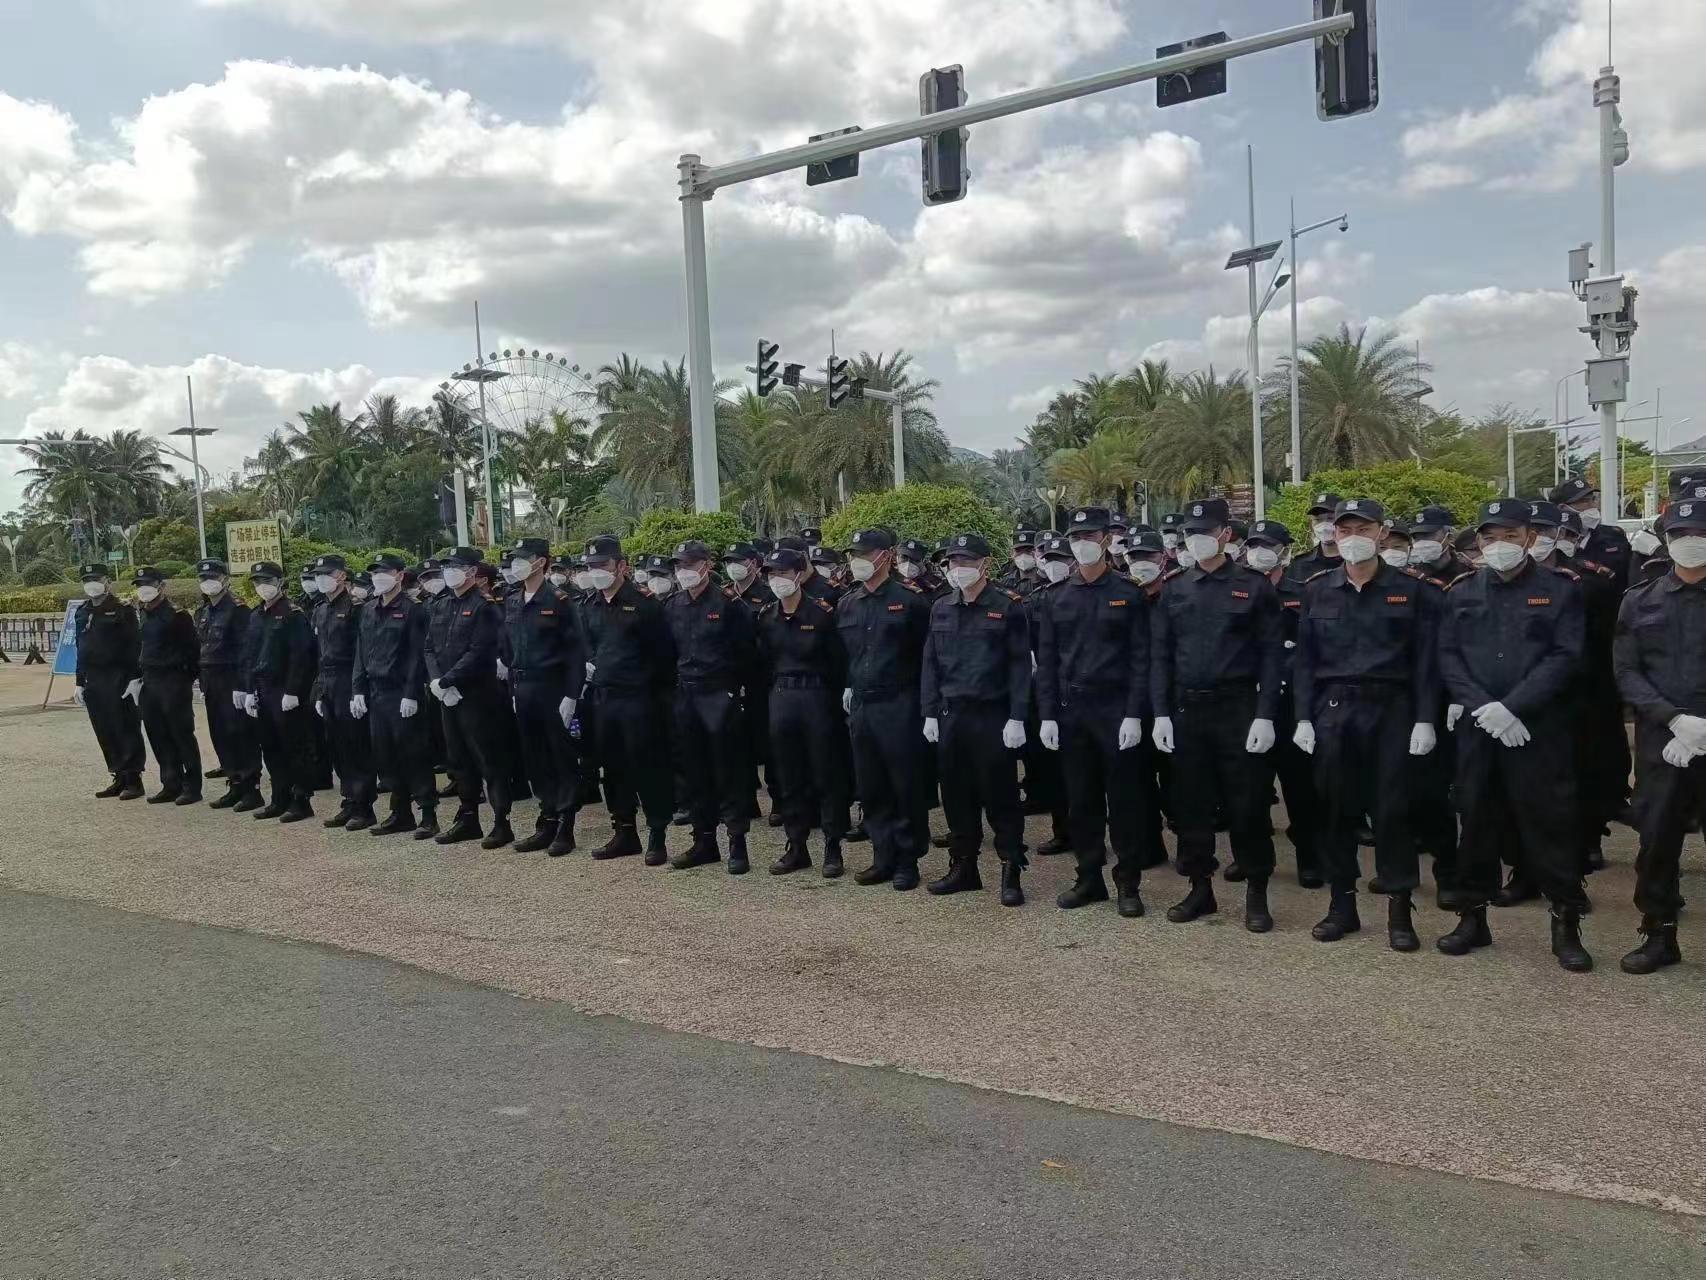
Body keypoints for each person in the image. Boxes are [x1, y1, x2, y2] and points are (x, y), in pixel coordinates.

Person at [1437, 499, 1591, 971]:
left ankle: (1566, 925)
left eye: (1509, 536)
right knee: (1476, 822)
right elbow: (1448, 655)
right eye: (1489, 537)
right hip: (1480, 726)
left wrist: (1513, 707)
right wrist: (1484, 707)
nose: (1498, 545)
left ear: (1529, 538)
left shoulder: (1560, 589)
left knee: (1550, 825)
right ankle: (1473, 918)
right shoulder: (1462, 590)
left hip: (1535, 728)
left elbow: (1565, 655)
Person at [1291, 500, 1441, 950]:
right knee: (1336, 810)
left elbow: (1427, 662)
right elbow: (1305, 661)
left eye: (1363, 528)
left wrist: (1426, 719)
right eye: (1344, 530)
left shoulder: (1412, 591)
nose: (1352, 537)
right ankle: (1342, 906)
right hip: (1334, 710)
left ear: (1382, 533)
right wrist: (1302, 717)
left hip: (1392, 709)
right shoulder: (1318, 589)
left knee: (1393, 811)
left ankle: (1400, 910)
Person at [1150, 498, 1285, 932]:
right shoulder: (1176, 588)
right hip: (1188, 709)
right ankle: (1199, 888)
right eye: (1190, 533)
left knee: (1248, 805)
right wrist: (1160, 713)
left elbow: (1272, 656)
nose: (1197, 539)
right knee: (1191, 805)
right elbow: (1161, 656)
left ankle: (1256, 891)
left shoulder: (1254, 587)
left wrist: (1266, 714)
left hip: (1238, 708)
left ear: (1226, 534)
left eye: (1205, 532)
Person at [1036, 507, 1158, 916]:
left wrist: (1134, 714)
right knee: (1081, 802)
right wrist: (1047, 715)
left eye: (1089, 536)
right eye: (1075, 537)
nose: (1082, 544)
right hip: (1073, 710)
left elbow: (1141, 658)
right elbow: (1048, 661)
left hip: (1116, 708)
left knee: (1124, 802)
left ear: (1106, 539)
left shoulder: (1129, 592)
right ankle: (1088, 878)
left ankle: (1128, 883)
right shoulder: (1056, 596)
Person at [1612, 497, 1706, 973]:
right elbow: (1626, 671)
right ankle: (1659, 934)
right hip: (1662, 742)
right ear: (1666, 541)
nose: (1690, 542)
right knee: (1657, 842)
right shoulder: (1640, 599)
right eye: (1679, 535)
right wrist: (1673, 720)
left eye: (1700, 534)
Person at [920, 532, 1031, 905]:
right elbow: (930, 663)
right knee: (956, 795)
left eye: (967, 561)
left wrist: (1017, 717)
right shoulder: (941, 607)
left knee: (1001, 797)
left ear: (985, 565)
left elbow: (1020, 666)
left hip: (992, 716)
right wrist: (929, 712)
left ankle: (1011, 868)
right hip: (952, 715)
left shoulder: (1007, 607)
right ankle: (964, 867)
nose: (959, 568)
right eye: (954, 562)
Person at [836, 527, 933, 890]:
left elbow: (927, 657)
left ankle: (908, 859)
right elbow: (845, 654)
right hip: (863, 704)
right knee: (871, 784)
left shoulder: (911, 602)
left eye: (865, 554)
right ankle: (883, 855)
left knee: (905, 784)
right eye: (854, 555)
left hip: (900, 702)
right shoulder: (848, 603)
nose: (857, 561)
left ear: (886, 556)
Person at [661, 540, 757, 874]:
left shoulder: (728, 604)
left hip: (719, 694)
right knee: (694, 771)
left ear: (706, 565)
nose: (683, 571)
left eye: (689, 564)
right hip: (686, 695)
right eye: (679, 566)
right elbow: (667, 653)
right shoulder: (673, 605)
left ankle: (737, 843)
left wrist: (734, 692)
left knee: (728, 770)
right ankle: (704, 841)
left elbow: (748, 653)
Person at [580, 534, 676, 864]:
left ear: (621, 566)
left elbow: (664, 657)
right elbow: (589, 646)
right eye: (591, 566)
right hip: (604, 698)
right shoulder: (589, 606)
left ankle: (657, 834)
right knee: (613, 768)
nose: (596, 571)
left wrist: (657, 700)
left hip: (639, 699)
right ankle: (624, 831)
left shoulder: (645, 605)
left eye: (602, 564)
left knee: (648, 767)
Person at [755, 547, 850, 877]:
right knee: (789, 776)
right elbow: (764, 662)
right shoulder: (767, 617)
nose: (776, 580)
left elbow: (838, 662)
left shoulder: (821, 614)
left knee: (826, 774)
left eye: (782, 573)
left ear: (799, 574)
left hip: (817, 698)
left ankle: (833, 847)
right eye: (771, 574)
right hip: (782, 697)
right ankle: (796, 846)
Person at [1240, 521, 1323, 890]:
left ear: (1285, 551)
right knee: (1250, 790)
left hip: (1290, 704)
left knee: (1301, 788)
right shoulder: (1237, 590)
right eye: (1254, 545)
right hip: (1249, 704)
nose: (1260, 553)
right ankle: (1252, 859)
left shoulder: (1303, 593)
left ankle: (1310, 858)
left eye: (1269, 546)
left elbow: (1312, 649)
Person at [498, 537, 585, 856]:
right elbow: (509, 648)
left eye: (524, 558)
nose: (517, 564)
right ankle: (546, 818)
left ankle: (565, 824)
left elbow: (575, 651)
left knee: (560, 756)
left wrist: (571, 695)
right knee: (534, 757)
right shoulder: (512, 599)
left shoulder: (559, 600)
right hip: (524, 687)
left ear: (541, 562)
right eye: (515, 558)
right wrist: (512, 689)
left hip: (553, 687)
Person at [425, 546, 515, 850]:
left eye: (456, 566)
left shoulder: (484, 606)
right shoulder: (441, 604)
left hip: (478, 694)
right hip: (447, 695)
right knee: (459, 758)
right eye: (447, 567)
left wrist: (449, 680)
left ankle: (502, 822)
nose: (449, 572)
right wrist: (437, 681)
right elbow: (429, 647)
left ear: (473, 572)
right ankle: (468, 819)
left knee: (489, 760)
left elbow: (480, 651)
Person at [352, 552, 438, 840]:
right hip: (376, 692)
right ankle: (401, 813)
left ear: (400, 575)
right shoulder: (368, 609)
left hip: (402, 692)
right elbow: (361, 652)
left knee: (414, 753)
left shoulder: (413, 610)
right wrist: (357, 689)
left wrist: (412, 693)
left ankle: (428, 814)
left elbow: (417, 654)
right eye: (375, 572)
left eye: (385, 572)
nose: (378, 577)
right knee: (386, 754)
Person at [242, 561, 316, 822]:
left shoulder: (293, 615)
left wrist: (294, 690)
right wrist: (249, 690)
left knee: (294, 746)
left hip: (285, 688)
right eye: (258, 582)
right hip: (263, 688)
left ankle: (301, 800)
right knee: (270, 746)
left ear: (280, 582)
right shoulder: (256, 615)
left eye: (268, 581)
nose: (262, 586)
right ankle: (279, 798)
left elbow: (302, 656)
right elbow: (250, 656)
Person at [308, 554, 377, 830]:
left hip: (349, 679)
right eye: (318, 575)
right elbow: (320, 654)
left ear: (341, 576)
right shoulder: (321, 609)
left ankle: (364, 805)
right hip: (328, 682)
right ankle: (349, 800)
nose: (321, 579)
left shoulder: (356, 608)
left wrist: (358, 689)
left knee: (356, 745)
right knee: (336, 745)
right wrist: (318, 690)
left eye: (327, 574)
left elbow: (363, 651)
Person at [130, 565, 203, 804]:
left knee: (181, 734)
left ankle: (192, 786)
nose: (144, 589)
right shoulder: (144, 612)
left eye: (149, 584)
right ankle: (171, 783)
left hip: (173, 680)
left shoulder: (177, 615)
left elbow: (193, 650)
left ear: (161, 586)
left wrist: (185, 679)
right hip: (149, 681)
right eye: (140, 585)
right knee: (157, 734)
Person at [193, 558, 262, 810]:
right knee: (220, 734)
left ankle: (251, 789)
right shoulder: (203, 611)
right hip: (212, 681)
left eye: (213, 577)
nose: (208, 582)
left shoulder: (238, 610)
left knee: (240, 734)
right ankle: (235, 784)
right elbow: (201, 647)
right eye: (203, 578)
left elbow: (247, 651)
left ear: (225, 579)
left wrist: (244, 685)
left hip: (233, 680)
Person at [74, 563, 145, 800]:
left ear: (108, 582)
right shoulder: (82, 611)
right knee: (104, 728)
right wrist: (79, 681)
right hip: (93, 678)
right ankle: (118, 775)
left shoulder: (122, 610)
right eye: (87, 580)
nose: (91, 584)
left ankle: (133, 779)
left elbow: (135, 646)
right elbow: (80, 648)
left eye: (96, 579)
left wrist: (135, 677)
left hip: (119, 676)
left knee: (125, 727)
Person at [1552, 476, 1631, 585]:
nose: (1593, 505)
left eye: (1593, 499)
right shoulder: (1547, 543)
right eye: (1584, 501)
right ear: (1562, 508)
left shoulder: (1614, 536)